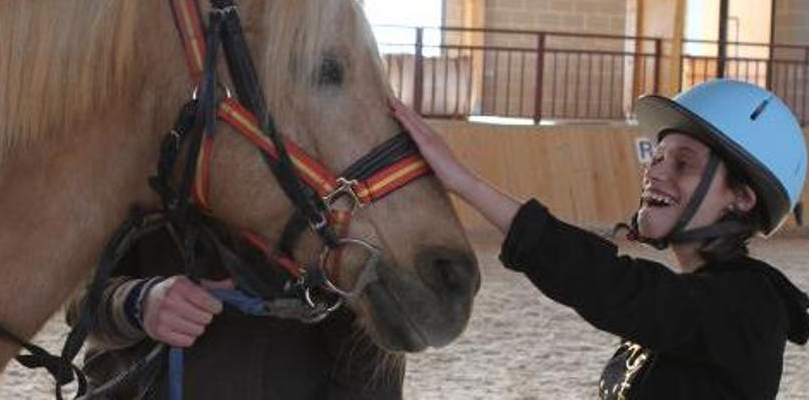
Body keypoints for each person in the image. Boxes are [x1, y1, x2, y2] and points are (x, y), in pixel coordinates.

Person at [390, 79, 809, 399]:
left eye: (683, 164)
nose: (656, 172)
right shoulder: (698, 295)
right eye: (657, 157)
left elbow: (610, 284)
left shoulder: (747, 307)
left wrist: (465, 183)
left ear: (740, 197)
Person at [66, 223, 402, 399]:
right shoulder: (149, 162)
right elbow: (80, 306)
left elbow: (369, 365)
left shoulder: (332, 203)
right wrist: (139, 302)